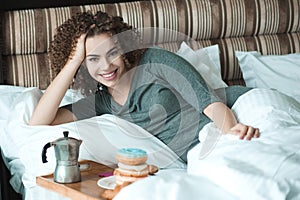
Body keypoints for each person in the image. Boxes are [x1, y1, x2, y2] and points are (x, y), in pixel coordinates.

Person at [29, 11, 259, 162]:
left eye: (112, 52)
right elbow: (39, 121)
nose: (106, 65)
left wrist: (230, 131)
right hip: (198, 155)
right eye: (93, 58)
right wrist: (73, 61)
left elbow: (209, 102)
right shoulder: (102, 103)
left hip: (240, 111)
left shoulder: (155, 61)